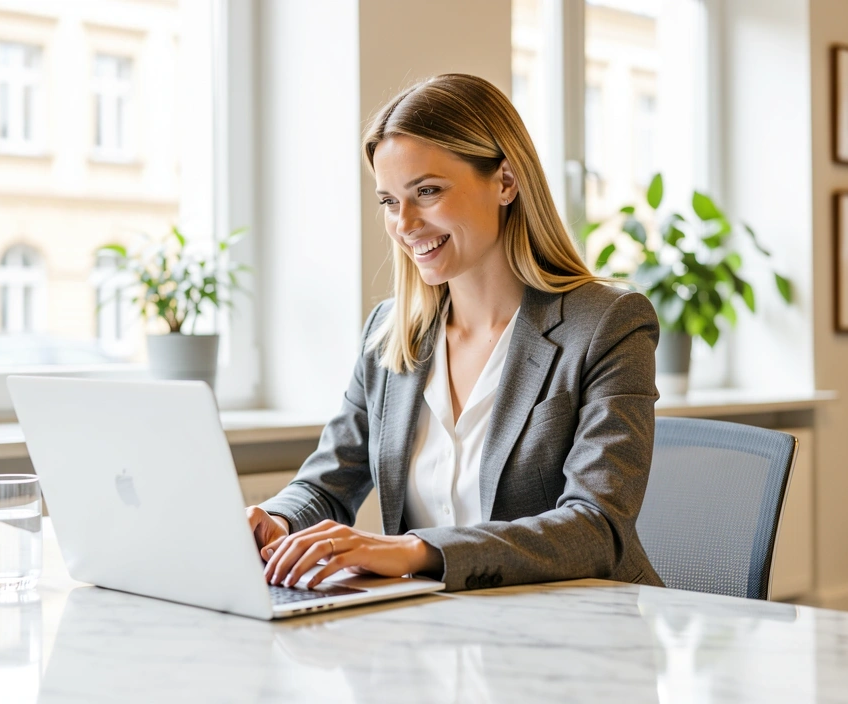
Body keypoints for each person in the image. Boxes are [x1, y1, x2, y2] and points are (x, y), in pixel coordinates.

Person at [247, 73, 664, 593]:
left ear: (506, 182)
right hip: (437, 640)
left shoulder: (607, 324)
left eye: (427, 191)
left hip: (580, 637)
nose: (405, 222)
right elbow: (327, 482)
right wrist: (276, 519)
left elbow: (597, 528)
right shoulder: (391, 334)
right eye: (389, 201)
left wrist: (417, 550)